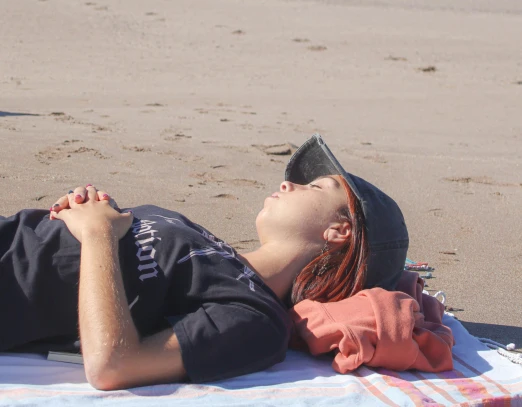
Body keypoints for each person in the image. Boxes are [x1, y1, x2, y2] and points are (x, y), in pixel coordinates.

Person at [0, 134, 408, 390]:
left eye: (314, 187)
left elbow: (114, 365)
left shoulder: (256, 320)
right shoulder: (212, 245)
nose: (287, 183)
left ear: (340, 232)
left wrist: (97, 234)